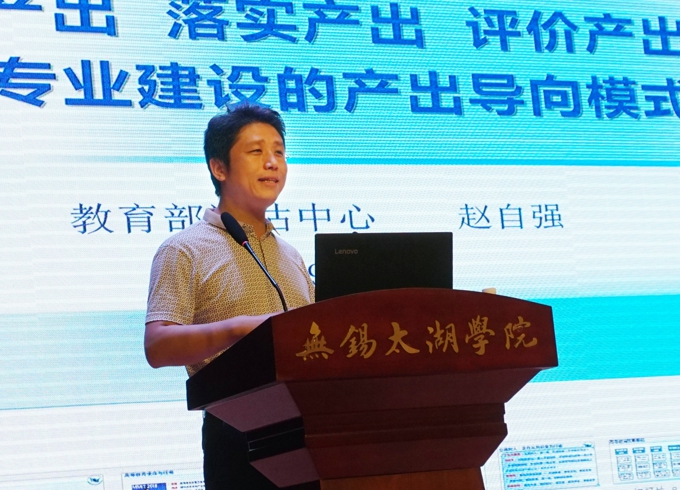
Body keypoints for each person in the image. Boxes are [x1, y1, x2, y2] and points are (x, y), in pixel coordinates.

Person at [144, 103, 315, 490]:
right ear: (219, 168)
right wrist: (240, 330)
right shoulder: (184, 249)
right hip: (236, 437)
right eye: (256, 151)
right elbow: (157, 346)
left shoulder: (291, 255)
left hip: (309, 432)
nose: (272, 162)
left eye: (279, 152)